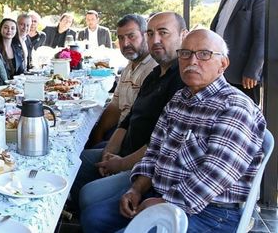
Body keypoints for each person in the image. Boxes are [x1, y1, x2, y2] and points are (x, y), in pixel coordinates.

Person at [84, 29, 266, 233]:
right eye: (185, 53)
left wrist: (163, 202)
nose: (192, 61)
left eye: (204, 54)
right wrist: (136, 189)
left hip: (210, 212)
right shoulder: (179, 99)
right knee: (94, 218)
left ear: (223, 64)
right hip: (162, 192)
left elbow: (215, 175)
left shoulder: (234, 107)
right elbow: (154, 153)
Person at [71, 12, 187, 218]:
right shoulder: (154, 74)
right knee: (73, 161)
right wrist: (109, 151)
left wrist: (121, 164)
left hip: (144, 165)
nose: (156, 40)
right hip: (126, 151)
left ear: (183, 36)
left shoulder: (181, 80)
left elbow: (161, 144)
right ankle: (70, 216)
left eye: (163, 33)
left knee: (88, 197)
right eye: (151, 34)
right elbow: (126, 119)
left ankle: (83, 217)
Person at [87, 14, 157, 148]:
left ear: (146, 35)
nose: (125, 43)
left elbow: (143, 125)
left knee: (81, 161)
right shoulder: (129, 66)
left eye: (131, 36)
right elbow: (115, 106)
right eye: (120, 38)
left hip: (132, 140)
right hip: (118, 131)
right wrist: (98, 134)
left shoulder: (153, 69)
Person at [210, 0, 265, 104]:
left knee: (244, 118)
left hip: (243, 76)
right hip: (219, 72)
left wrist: (253, 72)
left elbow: (262, 37)